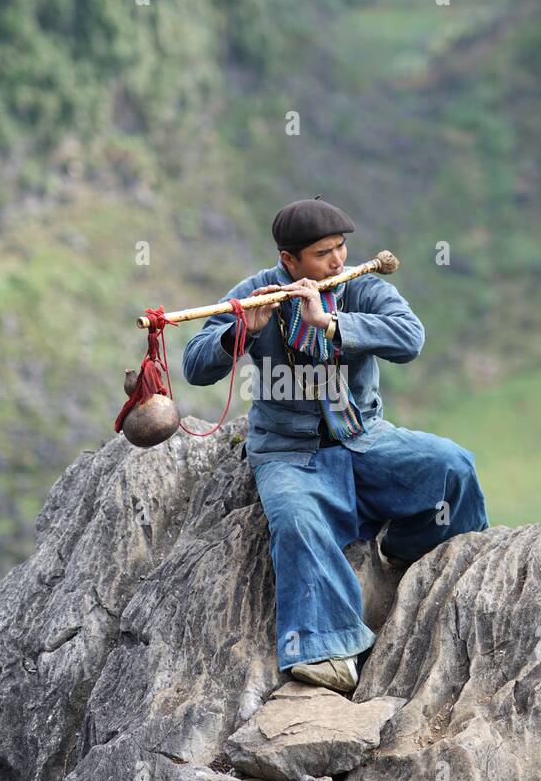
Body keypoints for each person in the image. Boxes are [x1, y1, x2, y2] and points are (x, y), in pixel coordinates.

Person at [182, 196, 489, 693]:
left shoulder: (360, 288)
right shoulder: (257, 292)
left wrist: (334, 324)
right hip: (288, 455)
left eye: (341, 248)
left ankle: (404, 551)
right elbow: (194, 364)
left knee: (452, 468)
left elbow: (410, 338)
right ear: (289, 261)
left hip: (364, 438)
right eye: (323, 253)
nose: (338, 260)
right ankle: (329, 650)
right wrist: (240, 330)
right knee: (296, 522)